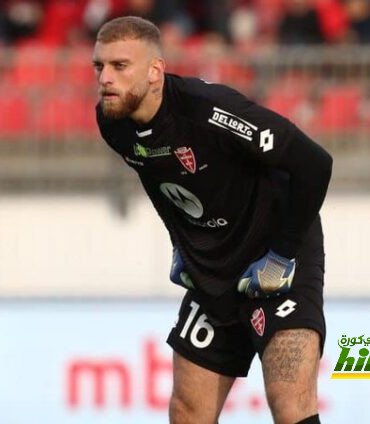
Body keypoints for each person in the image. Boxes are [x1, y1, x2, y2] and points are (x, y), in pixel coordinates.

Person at [93, 16, 332, 424]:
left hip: (276, 253)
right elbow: (158, 179)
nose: (105, 79)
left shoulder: (210, 112)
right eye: (99, 67)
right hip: (216, 268)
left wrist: (282, 255)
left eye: (119, 66)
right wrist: (180, 244)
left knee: (289, 404)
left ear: (155, 71)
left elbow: (314, 163)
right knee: (187, 411)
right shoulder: (112, 122)